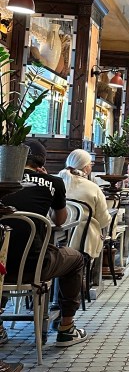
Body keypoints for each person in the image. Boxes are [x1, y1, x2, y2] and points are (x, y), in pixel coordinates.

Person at [0, 139, 87, 346]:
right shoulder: (53, 182)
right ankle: (66, 328)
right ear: (42, 162)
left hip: (1, 267)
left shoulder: (3, 181)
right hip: (34, 267)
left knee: (6, 252)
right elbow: (60, 220)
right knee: (76, 259)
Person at [58, 149, 112, 261]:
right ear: (86, 167)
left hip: (57, 238)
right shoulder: (93, 188)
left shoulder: (57, 182)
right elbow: (103, 220)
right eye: (90, 164)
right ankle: (95, 269)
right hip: (83, 242)